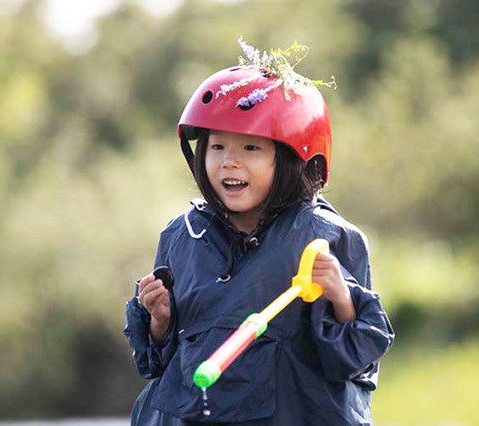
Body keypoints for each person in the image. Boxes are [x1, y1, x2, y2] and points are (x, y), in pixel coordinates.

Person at [124, 38, 394, 426]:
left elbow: (355, 361)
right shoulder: (181, 237)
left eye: (251, 148)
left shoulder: (322, 236)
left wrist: (340, 295)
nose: (229, 162)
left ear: (290, 160)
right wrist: (160, 321)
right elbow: (163, 365)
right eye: (217, 147)